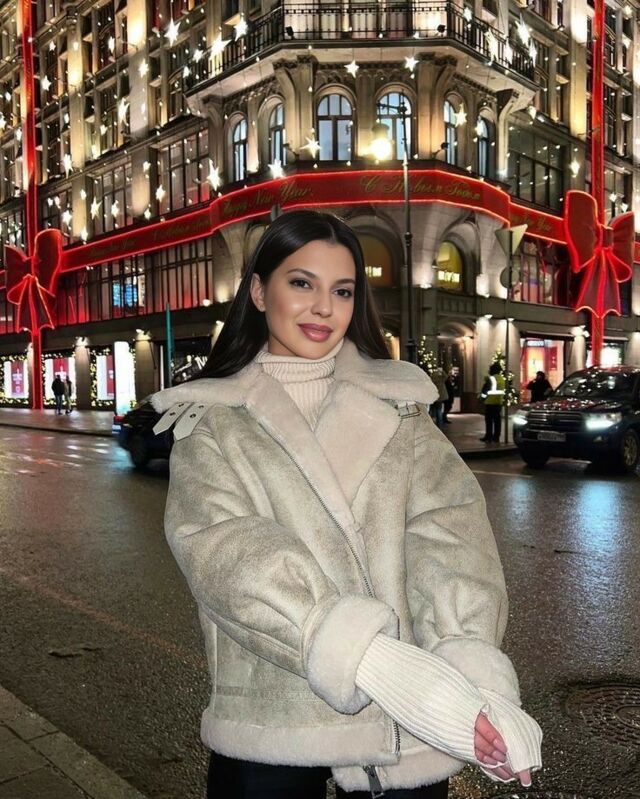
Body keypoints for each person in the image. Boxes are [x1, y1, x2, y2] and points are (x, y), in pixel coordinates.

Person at [151, 211, 542, 798]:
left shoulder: (401, 407)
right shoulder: (212, 421)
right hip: (273, 715)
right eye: (300, 283)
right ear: (258, 290)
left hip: (404, 719)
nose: (323, 308)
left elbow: (450, 534)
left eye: (342, 291)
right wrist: (361, 653)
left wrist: (468, 669)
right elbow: (224, 552)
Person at [479, 362, 505, 443]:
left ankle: (488, 436)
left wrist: (481, 398)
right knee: (497, 421)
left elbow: (485, 390)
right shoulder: (502, 379)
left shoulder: (491, 379)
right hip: (498, 402)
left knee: (489, 421)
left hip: (490, 402)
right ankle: (496, 437)